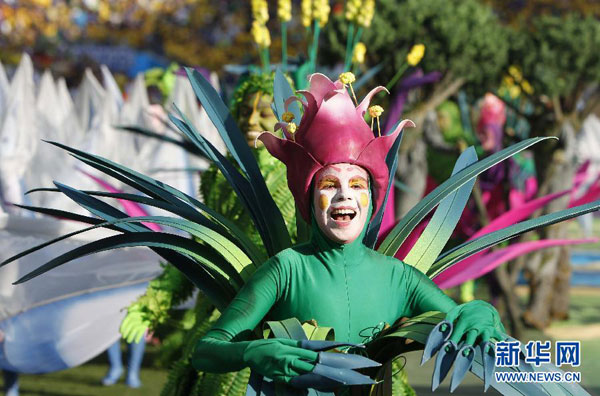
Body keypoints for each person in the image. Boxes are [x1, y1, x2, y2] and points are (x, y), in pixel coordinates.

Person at [192, 73, 505, 391]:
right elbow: (206, 351)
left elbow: (461, 318)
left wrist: (482, 311)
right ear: (309, 199)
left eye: (356, 185)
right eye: (329, 184)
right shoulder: (286, 269)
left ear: (371, 200)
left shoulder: (400, 278)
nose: (344, 196)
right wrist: (250, 351)